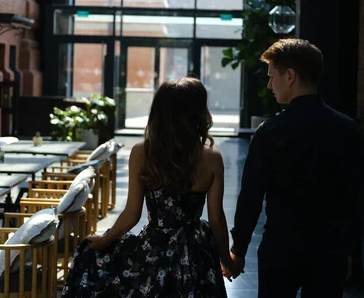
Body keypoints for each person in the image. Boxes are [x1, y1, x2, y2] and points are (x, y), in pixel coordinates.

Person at [62, 77, 238, 298]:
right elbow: (217, 220)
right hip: (197, 252)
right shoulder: (212, 158)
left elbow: (132, 214)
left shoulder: (142, 153)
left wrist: (105, 240)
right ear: (199, 113)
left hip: (156, 247)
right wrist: (226, 261)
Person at [227, 38, 364, 297]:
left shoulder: (270, 133)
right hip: (329, 250)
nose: (269, 85)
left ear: (290, 76)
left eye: (272, 76)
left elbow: (251, 197)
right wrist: (349, 252)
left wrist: (239, 250)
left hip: (281, 248)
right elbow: (355, 198)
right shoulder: (347, 129)